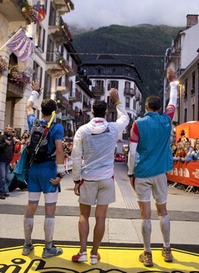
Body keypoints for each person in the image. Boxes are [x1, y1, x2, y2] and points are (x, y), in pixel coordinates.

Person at [127, 66, 178, 267]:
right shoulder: (167, 120)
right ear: (159, 108)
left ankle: (147, 253)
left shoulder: (137, 124)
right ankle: (167, 249)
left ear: (146, 107)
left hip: (142, 172)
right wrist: (173, 82)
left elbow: (132, 152)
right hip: (160, 173)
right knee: (163, 211)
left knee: (145, 214)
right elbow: (173, 102)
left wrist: (131, 173)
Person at [71, 88, 129, 265]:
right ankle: (95, 254)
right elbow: (125, 118)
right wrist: (118, 101)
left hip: (88, 177)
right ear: (105, 112)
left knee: (84, 216)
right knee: (101, 217)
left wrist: (75, 179)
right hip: (106, 179)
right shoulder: (112, 128)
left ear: (91, 112)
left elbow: (75, 156)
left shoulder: (82, 130)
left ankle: (82, 252)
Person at [22, 80, 65, 259]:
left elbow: (28, 107)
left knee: (31, 207)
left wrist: (35, 93)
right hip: (49, 170)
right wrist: (60, 173)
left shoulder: (33, 122)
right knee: (50, 210)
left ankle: (27, 244)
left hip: (33, 170)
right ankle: (48, 248)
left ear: (43, 110)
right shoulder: (57, 126)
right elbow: (60, 149)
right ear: (54, 112)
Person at [0, 125, 15, 199]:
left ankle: (3, 190)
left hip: (8, 159)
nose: (10, 131)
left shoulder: (11, 139)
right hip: (2, 159)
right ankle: (0, 191)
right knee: (2, 176)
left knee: (6, 176)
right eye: (8, 129)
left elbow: (12, 149)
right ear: (5, 130)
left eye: (11, 129)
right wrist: (5, 143)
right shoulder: (1, 137)